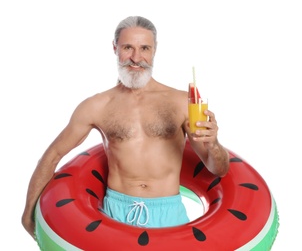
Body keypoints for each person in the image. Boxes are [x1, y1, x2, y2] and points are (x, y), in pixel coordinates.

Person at [22, 16, 230, 239]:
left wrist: (214, 144)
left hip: (169, 214)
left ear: (154, 51)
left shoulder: (181, 102)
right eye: (128, 47)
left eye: (145, 48)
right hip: (115, 214)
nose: (136, 58)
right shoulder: (96, 106)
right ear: (115, 48)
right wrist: (28, 214)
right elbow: (52, 156)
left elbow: (218, 169)